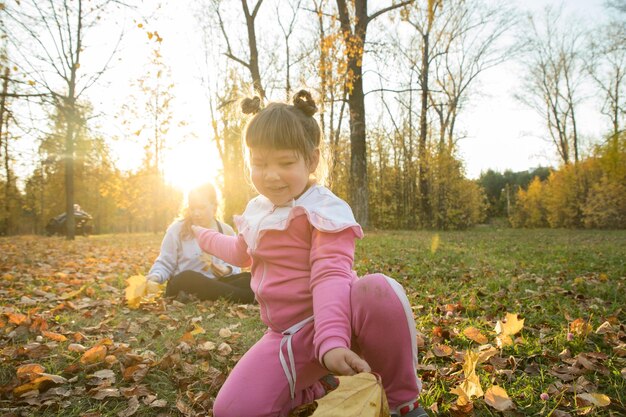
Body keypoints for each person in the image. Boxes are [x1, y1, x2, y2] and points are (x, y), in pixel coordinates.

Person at [192, 91, 426, 417]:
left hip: (339, 323)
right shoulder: (258, 210)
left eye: (285, 163)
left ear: (311, 160)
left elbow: (330, 274)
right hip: (287, 337)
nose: (271, 174)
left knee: (378, 290)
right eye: (260, 163)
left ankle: (403, 402)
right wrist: (205, 237)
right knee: (230, 410)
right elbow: (240, 252)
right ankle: (321, 384)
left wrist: (331, 342)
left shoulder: (321, 210)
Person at [146, 183, 255, 304]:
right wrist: (154, 278)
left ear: (214, 206)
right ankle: (249, 296)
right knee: (188, 277)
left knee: (248, 278)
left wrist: (227, 270)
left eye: (201, 208)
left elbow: (236, 262)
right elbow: (165, 262)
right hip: (183, 284)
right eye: (192, 208)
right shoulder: (177, 230)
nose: (196, 213)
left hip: (216, 283)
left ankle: (241, 294)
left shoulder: (226, 230)